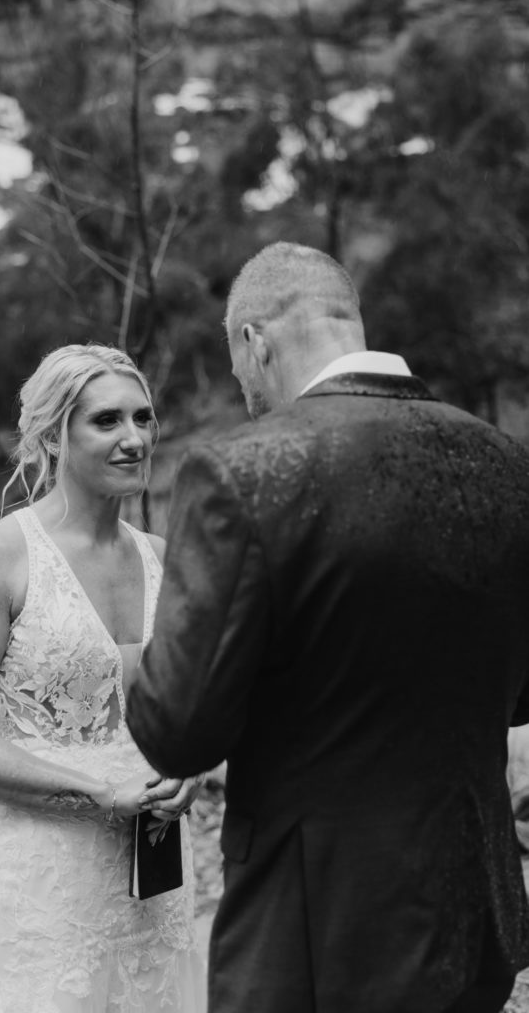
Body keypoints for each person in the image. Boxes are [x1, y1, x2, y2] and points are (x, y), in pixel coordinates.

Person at [126, 242, 529, 1013]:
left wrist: (134, 663)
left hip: (315, 936)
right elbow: (521, 696)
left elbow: (180, 732)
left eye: (240, 370)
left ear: (256, 341)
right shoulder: (508, 465)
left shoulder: (243, 469)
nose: (245, 392)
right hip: (477, 914)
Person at [0, 344, 205, 1013]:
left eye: (144, 417)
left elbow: (185, 713)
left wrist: (190, 766)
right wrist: (96, 787)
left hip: (154, 866)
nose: (134, 439)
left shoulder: (166, 561)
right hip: (39, 872)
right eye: (106, 421)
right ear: (53, 435)